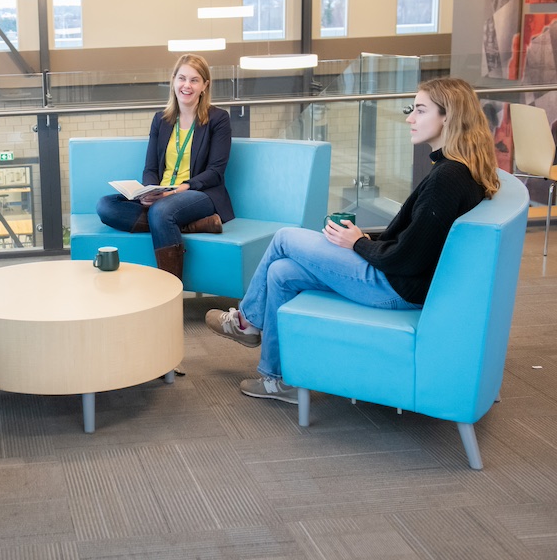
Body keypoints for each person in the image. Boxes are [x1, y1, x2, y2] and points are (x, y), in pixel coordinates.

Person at [205, 77, 499, 404]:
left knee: (285, 238)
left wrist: (357, 243)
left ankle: (245, 322)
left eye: (420, 110)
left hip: (393, 285)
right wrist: (360, 239)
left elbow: (409, 258)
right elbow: (417, 240)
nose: (409, 119)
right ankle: (275, 380)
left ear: (448, 117)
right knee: (281, 273)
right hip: (399, 279)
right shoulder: (457, 170)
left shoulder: (447, 177)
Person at [95, 54, 233, 279]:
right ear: (173, 81)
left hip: (199, 193)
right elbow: (150, 167)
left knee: (161, 211)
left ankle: (170, 288)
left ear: (205, 86)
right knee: (106, 206)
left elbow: (215, 172)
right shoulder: (161, 119)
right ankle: (190, 226)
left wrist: (178, 190)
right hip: (162, 195)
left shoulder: (218, 119)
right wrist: (150, 191)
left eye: (194, 80)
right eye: (182, 78)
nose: (186, 85)